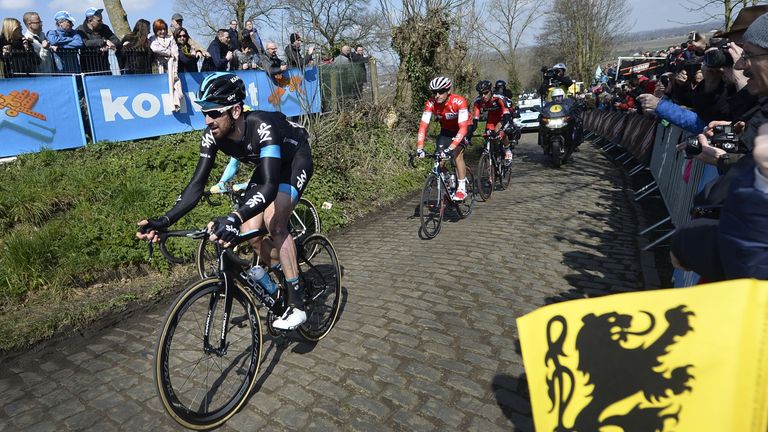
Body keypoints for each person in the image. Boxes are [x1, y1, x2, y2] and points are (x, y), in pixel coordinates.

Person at [136, 73, 314, 330]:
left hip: (295, 159)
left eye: (214, 113)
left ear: (236, 110)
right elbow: (196, 186)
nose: (207, 120)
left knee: (274, 222)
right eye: (204, 113)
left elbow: (270, 185)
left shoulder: (262, 125)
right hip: (268, 168)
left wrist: (234, 215)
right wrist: (164, 220)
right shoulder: (212, 136)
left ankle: (297, 304)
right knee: (250, 233)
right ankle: (284, 275)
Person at [416, 76, 472, 201]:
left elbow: (463, 128)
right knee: (439, 159)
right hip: (446, 131)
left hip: (463, 128)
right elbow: (423, 126)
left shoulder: (459, 101)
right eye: (434, 92)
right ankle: (449, 179)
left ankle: (461, 189)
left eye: (441, 91)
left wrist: (451, 147)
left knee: (457, 154)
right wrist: (420, 147)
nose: (437, 95)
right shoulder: (430, 103)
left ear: (448, 91)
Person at [469, 80, 514, 163]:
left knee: (498, 132)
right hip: (492, 119)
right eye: (480, 93)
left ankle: (507, 149)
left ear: (491, 91)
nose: (483, 96)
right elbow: (475, 120)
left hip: (503, 116)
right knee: (488, 134)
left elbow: (507, 115)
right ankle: (493, 154)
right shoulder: (478, 102)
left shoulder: (499, 98)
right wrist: (469, 133)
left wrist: (502, 130)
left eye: (486, 93)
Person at [76, 7, 119, 74]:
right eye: (99, 20)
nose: (101, 22)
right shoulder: (80, 30)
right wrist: (104, 41)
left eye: (101, 20)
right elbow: (85, 43)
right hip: (88, 69)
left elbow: (116, 41)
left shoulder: (104, 28)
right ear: (90, 21)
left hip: (105, 67)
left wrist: (107, 46)